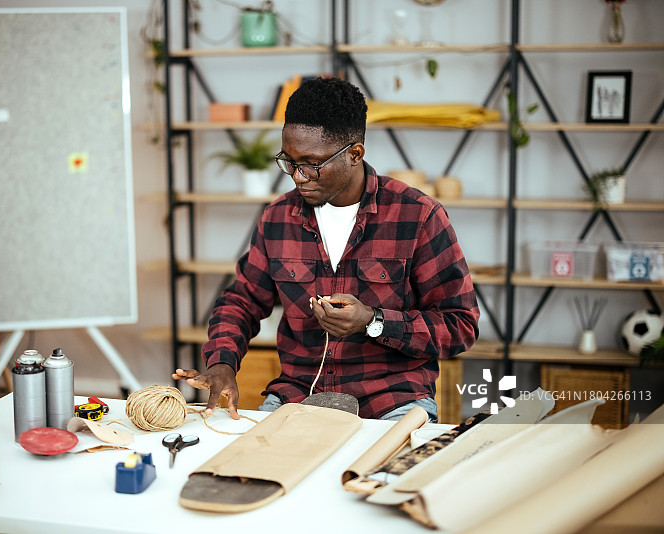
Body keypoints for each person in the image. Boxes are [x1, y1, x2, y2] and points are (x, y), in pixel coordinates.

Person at [173, 77, 479, 423]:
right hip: (299, 395)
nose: (298, 177)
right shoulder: (278, 217)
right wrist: (222, 363)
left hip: (391, 400)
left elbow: (460, 325)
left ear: (354, 154)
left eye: (311, 164)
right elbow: (240, 302)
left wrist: (373, 321)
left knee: (378, 476)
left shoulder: (419, 216)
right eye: (289, 161)